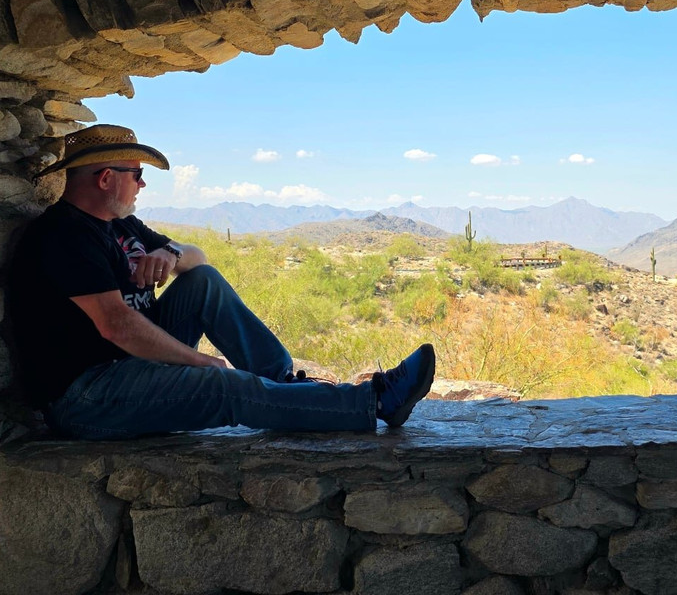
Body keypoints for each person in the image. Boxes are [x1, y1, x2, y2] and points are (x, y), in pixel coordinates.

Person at [7, 124, 435, 440]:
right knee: (223, 387)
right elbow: (115, 325)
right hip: (91, 393)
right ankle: (373, 402)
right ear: (106, 178)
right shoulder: (63, 236)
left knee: (203, 282)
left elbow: (198, 260)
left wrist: (170, 253)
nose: (141, 183)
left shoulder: (121, 225)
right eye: (135, 174)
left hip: (131, 366)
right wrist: (198, 362)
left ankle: (283, 384)